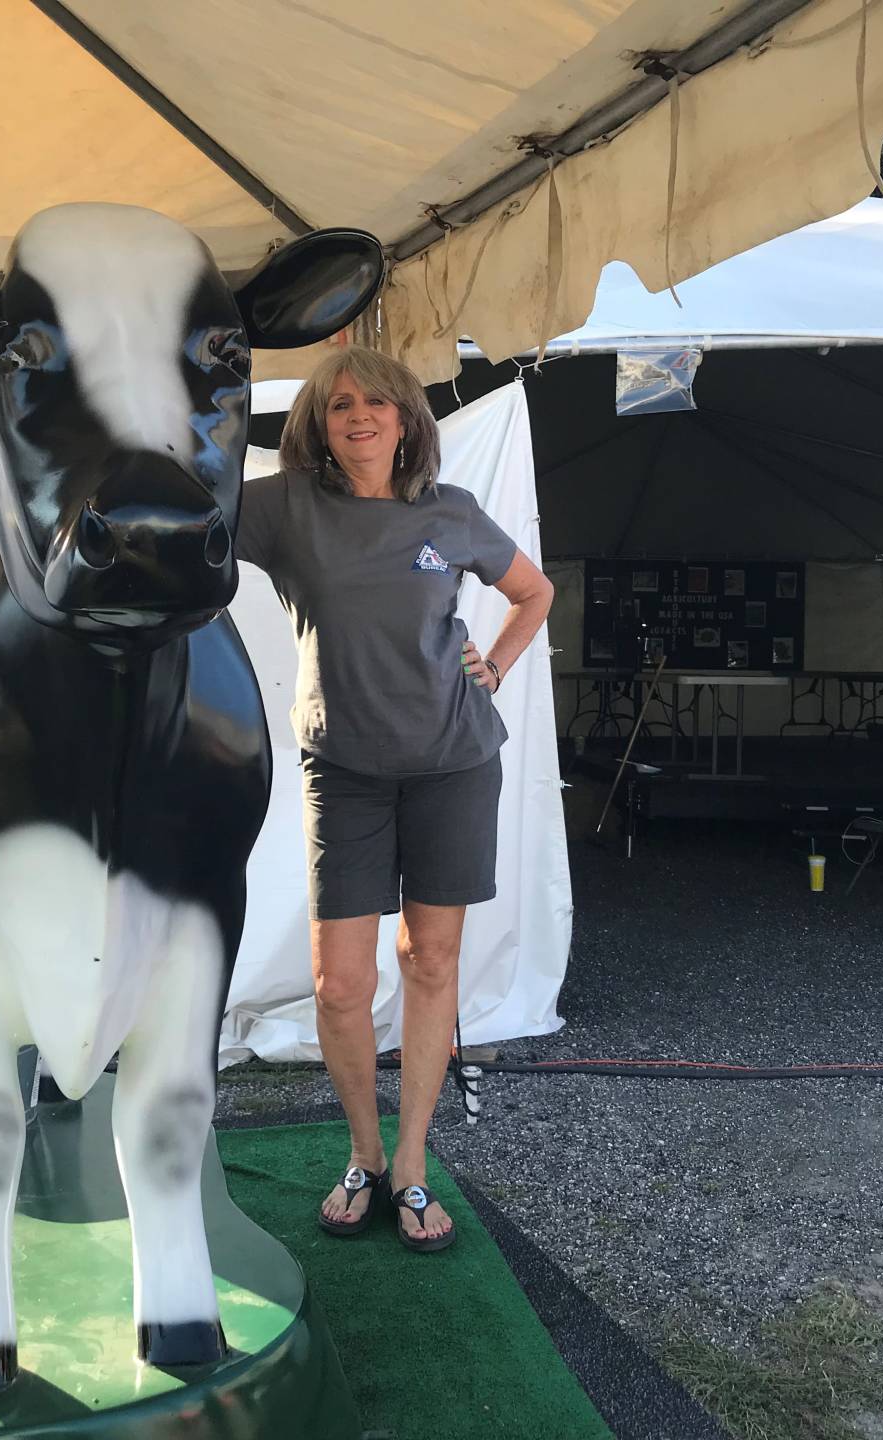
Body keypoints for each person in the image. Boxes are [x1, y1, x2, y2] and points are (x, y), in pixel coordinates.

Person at [236, 345, 554, 1251]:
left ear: (409, 419)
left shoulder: (448, 513)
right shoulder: (286, 506)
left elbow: (533, 591)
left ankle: (411, 1164)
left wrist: (490, 667)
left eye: (377, 403)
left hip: (454, 763)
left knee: (429, 962)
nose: (360, 418)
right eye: (340, 407)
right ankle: (365, 1155)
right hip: (342, 772)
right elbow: (188, 516)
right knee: (340, 986)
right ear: (318, 426)